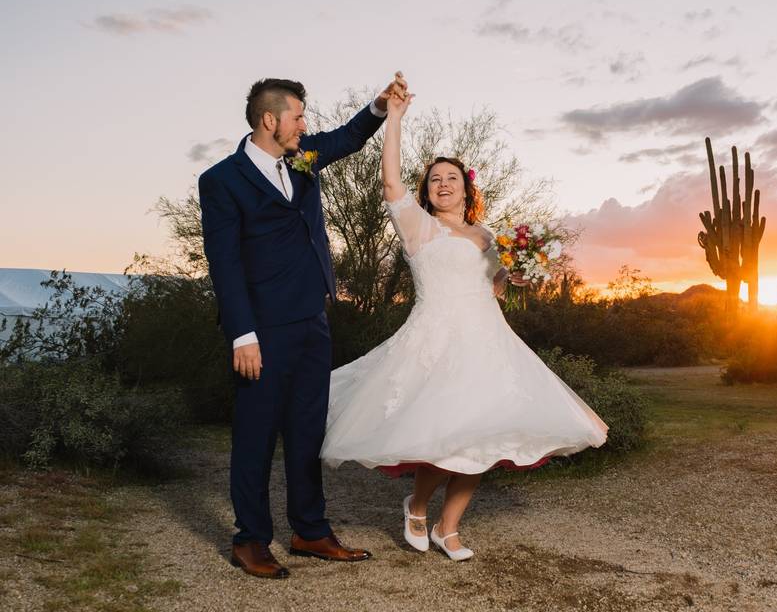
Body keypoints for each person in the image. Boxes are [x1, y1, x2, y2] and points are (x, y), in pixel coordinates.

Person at [321, 82, 608, 561]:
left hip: (490, 344)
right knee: (443, 434)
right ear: (427, 190)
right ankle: (416, 505)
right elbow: (391, 181)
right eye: (435, 178)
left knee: (486, 437)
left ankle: (448, 527)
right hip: (438, 341)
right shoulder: (419, 226)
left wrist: (518, 277)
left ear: (465, 186)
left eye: (452, 177)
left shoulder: (486, 233)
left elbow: (497, 285)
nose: (443, 183)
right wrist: (394, 118)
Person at [199, 73, 408, 579]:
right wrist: (242, 335)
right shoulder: (221, 181)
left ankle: (309, 530)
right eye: (297, 117)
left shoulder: (301, 157)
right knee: (255, 437)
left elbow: (346, 138)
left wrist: (379, 107)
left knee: (306, 432)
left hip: (312, 321)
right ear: (270, 120)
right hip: (262, 332)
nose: (304, 126)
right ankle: (250, 540)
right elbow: (224, 264)